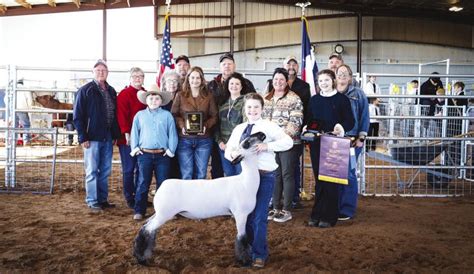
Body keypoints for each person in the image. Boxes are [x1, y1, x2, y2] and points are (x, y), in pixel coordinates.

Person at [225, 93, 293, 268]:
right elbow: (229, 150)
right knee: (244, 216)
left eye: (256, 107)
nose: (252, 110)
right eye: (249, 107)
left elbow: (288, 142)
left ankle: (259, 254)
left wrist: (267, 146)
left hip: (264, 176)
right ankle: (245, 252)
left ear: (262, 109)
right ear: (244, 109)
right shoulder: (239, 129)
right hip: (244, 179)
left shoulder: (269, 126)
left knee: (259, 216)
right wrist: (232, 154)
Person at [305, 69, 354, 228]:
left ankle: (329, 215)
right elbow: (309, 119)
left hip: (334, 144)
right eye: (320, 81)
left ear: (333, 80)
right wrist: (307, 128)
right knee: (319, 179)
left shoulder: (342, 100)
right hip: (317, 144)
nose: (323, 83)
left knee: (331, 179)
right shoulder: (314, 100)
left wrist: (341, 127)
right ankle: (317, 213)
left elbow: (350, 121)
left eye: (326, 80)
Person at [73, 59, 121, 211]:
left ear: (107, 73)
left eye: (104, 70)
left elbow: (114, 114)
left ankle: (102, 199)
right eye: (98, 70)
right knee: (92, 170)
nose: (101, 72)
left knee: (105, 170)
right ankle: (93, 201)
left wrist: (114, 134)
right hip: (91, 138)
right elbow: (78, 116)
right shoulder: (85, 90)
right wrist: (83, 136)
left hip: (107, 137)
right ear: (93, 72)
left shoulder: (111, 91)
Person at [130, 86, 177, 221]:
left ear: (161, 101)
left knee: (163, 183)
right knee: (143, 182)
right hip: (144, 154)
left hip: (162, 155)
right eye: (151, 98)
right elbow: (135, 133)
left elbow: (172, 133)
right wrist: (135, 147)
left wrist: (170, 150)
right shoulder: (140, 115)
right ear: (146, 100)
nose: (154, 100)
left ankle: (164, 211)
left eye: (157, 98)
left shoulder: (167, 115)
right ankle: (139, 210)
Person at [263, 68, 303, 223]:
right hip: (271, 145)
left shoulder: (294, 99)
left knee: (287, 174)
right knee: (276, 174)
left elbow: (296, 122)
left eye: (281, 79)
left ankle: (286, 209)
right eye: (275, 79)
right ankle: (275, 207)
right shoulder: (266, 98)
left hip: (288, 143)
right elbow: (263, 120)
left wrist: (281, 139)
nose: (278, 82)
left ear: (287, 81)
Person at [208, 52, 256, 179]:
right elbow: (216, 120)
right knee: (224, 172)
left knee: (240, 175)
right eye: (224, 64)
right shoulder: (214, 88)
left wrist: (239, 143)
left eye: (229, 64)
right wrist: (219, 141)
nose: (227, 66)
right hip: (222, 144)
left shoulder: (246, 99)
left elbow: (249, 122)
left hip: (239, 145)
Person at [171, 66, 218, 179]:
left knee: (201, 174)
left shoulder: (209, 96)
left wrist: (205, 126)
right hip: (185, 139)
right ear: (188, 79)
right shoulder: (180, 95)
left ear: (202, 80)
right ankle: (187, 197)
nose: (195, 80)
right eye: (192, 77)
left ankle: (199, 197)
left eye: (198, 78)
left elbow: (214, 116)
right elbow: (174, 114)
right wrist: (182, 126)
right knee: (187, 173)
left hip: (204, 140)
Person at [336, 64, 369, 221]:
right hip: (333, 140)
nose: (342, 75)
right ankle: (335, 205)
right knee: (334, 173)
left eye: (345, 73)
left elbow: (364, 116)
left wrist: (361, 137)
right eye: (339, 73)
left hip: (352, 140)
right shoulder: (331, 92)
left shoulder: (358, 94)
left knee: (349, 173)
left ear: (350, 78)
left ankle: (347, 209)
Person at [116, 67, 147, 209]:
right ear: (130, 78)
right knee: (129, 169)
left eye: (140, 76)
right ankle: (129, 197)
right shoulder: (124, 94)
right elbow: (121, 115)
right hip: (127, 138)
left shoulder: (146, 94)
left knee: (141, 169)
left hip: (144, 139)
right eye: (134, 76)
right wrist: (126, 133)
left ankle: (140, 196)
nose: (137, 79)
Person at [283, 55, 311, 209]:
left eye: (294, 63)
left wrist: (305, 129)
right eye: (289, 63)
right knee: (278, 166)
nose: (291, 66)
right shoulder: (274, 82)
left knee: (293, 164)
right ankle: (279, 197)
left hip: (297, 133)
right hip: (278, 133)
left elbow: (307, 109)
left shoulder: (304, 86)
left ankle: (294, 197)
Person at [215, 72, 247, 176]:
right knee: (228, 175)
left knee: (240, 175)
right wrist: (219, 141)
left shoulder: (246, 102)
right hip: (223, 146)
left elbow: (246, 126)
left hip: (238, 147)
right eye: (231, 83)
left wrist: (235, 144)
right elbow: (217, 124)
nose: (234, 86)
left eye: (237, 84)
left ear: (241, 86)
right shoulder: (222, 102)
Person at [159, 70, 182, 179]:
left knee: (178, 166)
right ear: (164, 83)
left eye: (175, 81)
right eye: (169, 81)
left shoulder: (183, 98)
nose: (172, 83)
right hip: (164, 139)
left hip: (180, 137)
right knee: (165, 168)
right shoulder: (159, 100)